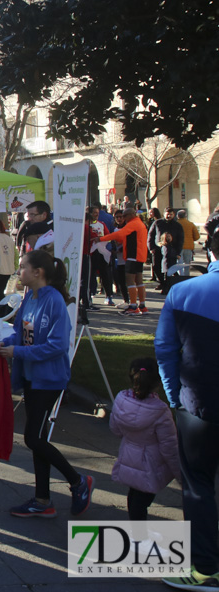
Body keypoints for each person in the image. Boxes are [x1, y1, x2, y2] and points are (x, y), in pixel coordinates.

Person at [0, 249, 94, 518]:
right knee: (37, 439)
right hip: (31, 377)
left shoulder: (53, 300)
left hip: (49, 379)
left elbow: (57, 345)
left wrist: (17, 352)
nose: (19, 272)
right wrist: (5, 343)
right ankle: (42, 500)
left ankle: (78, 482)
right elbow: (20, 331)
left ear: (37, 272)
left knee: (33, 438)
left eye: (22, 267)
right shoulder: (30, 295)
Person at [156, 235, 219, 589]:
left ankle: (206, 569)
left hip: (199, 405)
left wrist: (174, 397)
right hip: (196, 403)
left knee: (198, 486)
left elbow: (165, 349)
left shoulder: (183, 292)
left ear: (211, 250)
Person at [109, 357, 179, 524]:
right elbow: (170, 447)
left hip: (128, 455)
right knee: (142, 501)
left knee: (134, 495)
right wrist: (181, 474)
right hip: (151, 463)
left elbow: (115, 428)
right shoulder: (161, 411)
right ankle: (140, 538)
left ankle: (137, 534)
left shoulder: (121, 401)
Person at [99, 207, 150, 315]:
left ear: (130, 215)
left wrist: (101, 239)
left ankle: (133, 306)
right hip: (139, 255)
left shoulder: (133, 223)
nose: (123, 219)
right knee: (139, 281)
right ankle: (142, 305)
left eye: (124, 216)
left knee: (130, 281)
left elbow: (120, 234)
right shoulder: (139, 223)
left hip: (133, 254)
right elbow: (125, 237)